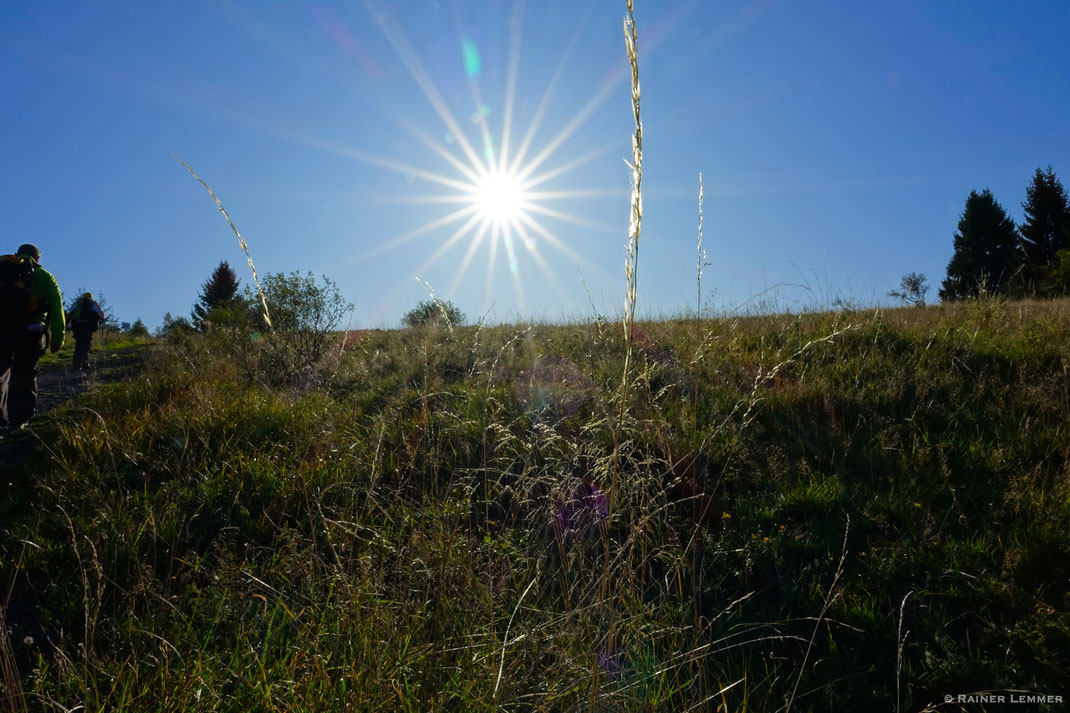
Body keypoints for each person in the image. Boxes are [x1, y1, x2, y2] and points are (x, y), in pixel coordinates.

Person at [0, 244, 64, 432]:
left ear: (17, 254)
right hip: (32, 331)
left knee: (1, 372)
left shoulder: (3, 270)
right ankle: (19, 421)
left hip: (3, 329)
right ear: (37, 258)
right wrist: (57, 339)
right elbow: (57, 309)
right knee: (26, 372)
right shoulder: (45, 276)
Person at [67, 292, 105, 370]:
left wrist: (68, 324)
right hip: (88, 326)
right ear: (91, 297)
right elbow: (101, 315)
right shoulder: (93, 303)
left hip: (77, 325)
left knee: (78, 342)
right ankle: (84, 361)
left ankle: (76, 361)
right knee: (86, 343)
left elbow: (69, 313)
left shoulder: (77, 303)